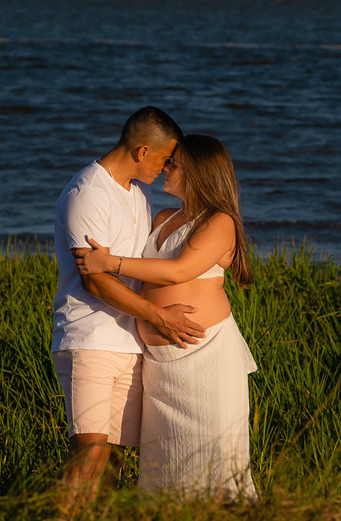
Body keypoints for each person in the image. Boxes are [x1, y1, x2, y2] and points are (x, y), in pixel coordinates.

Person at [75, 134, 258, 502]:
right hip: (159, 368)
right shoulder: (163, 216)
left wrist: (110, 263)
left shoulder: (220, 221)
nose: (165, 168)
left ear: (198, 171)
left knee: (214, 466)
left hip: (205, 361)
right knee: (165, 470)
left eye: (173, 163)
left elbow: (178, 271)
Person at [51, 107, 205, 510]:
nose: (168, 167)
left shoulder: (140, 191)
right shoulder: (87, 193)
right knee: (88, 455)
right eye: (164, 159)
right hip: (90, 339)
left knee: (114, 461)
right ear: (141, 151)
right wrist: (158, 316)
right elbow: (95, 279)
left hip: (129, 344)